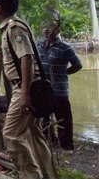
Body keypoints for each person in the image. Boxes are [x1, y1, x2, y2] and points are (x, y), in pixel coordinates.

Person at [0, 0, 57, 179]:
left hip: (26, 88)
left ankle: (31, 175)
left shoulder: (14, 28)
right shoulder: (12, 26)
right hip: (29, 87)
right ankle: (48, 175)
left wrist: (25, 93)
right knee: (35, 136)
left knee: (11, 135)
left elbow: (26, 58)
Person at [37, 22, 82, 151]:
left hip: (59, 89)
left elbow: (78, 65)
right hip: (43, 89)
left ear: (57, 30)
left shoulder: (65, 47)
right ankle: (50, 143)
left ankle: (66, 146)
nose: (46, 30)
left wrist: (64, 73)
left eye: (49, 27)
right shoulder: (39, 44)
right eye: (44, 27)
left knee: (63, 119)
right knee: (44, 117)